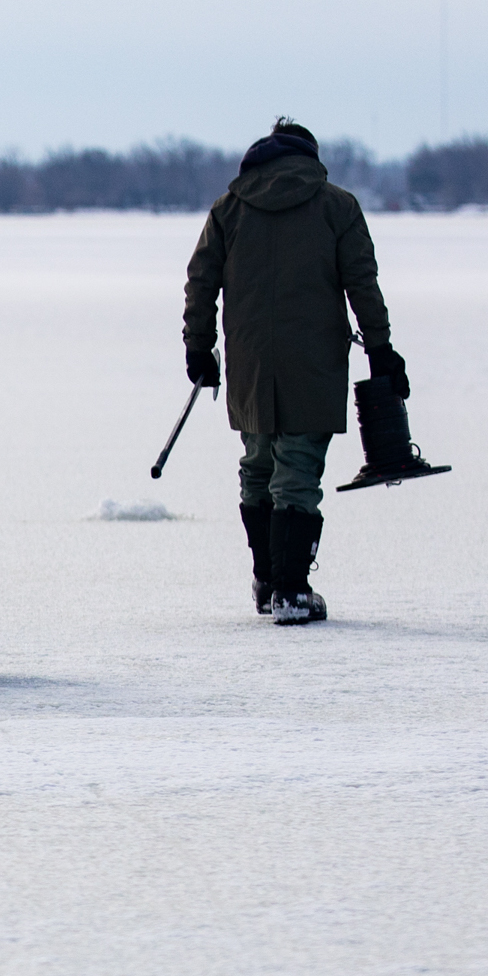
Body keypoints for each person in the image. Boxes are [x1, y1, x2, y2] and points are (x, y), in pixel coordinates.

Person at [182, 118, 402, 625]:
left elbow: (200, 282)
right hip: (314, 363)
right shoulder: (336, 205)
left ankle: (268, 583)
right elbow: (362, 286)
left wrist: (200, 349)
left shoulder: (229, 208)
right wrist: (382, 351)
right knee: (297, 470)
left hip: (251, 363)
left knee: (258, 466)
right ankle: (291, 591)